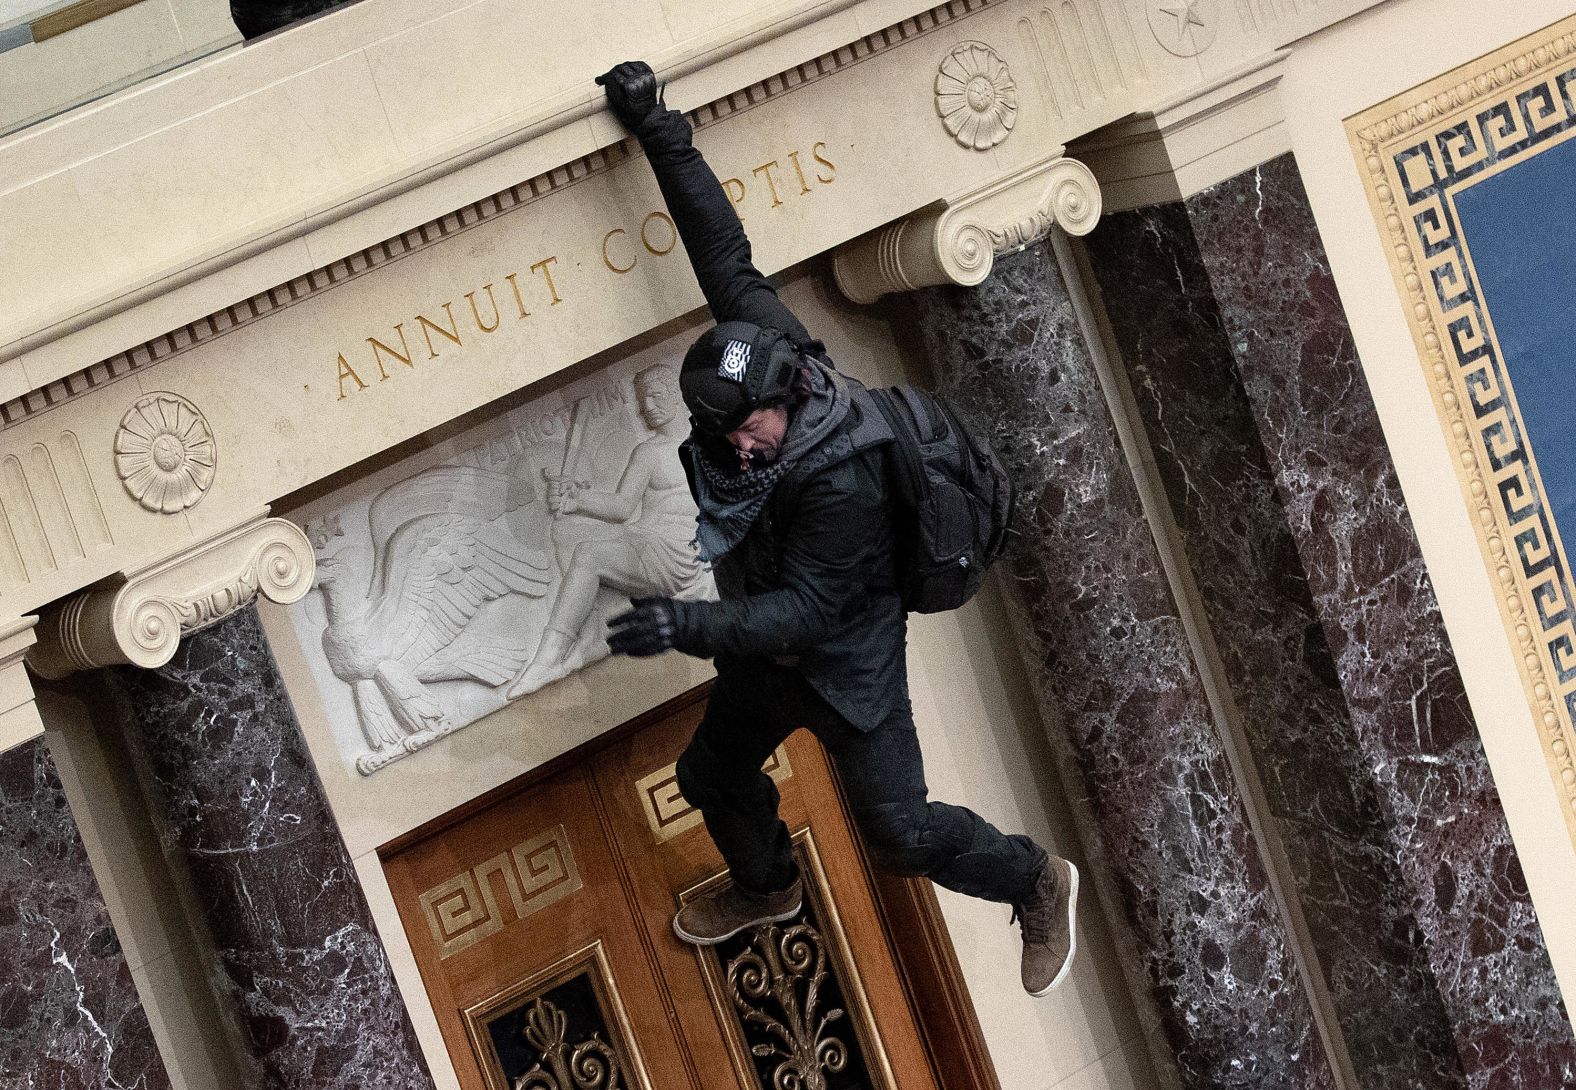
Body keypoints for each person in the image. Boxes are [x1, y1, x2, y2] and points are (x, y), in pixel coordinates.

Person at [595, 60, 1078, 997]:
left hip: (845, 661)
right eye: (719, 433)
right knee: (709, 775)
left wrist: (682, 626)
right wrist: (660, 129)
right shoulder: (767, 346)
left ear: (787, 397)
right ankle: (767, 886)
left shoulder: (841, 476)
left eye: (747, 430)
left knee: (898, 833)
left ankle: (1032, 878)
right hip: (764, 659)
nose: (735, 449)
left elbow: (804, 614)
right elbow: (722, 253)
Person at [506, 363, 710, 697]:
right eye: (644, 403)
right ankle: (584, 634)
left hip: (682, 551)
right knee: (565, 531)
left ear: (677, 394)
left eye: (656, 397)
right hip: (646, 539)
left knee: (590, 553)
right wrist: (575, 499)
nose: (649, 408)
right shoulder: (648, 452)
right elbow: (622, 507)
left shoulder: (709, 443)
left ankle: (551, 657)